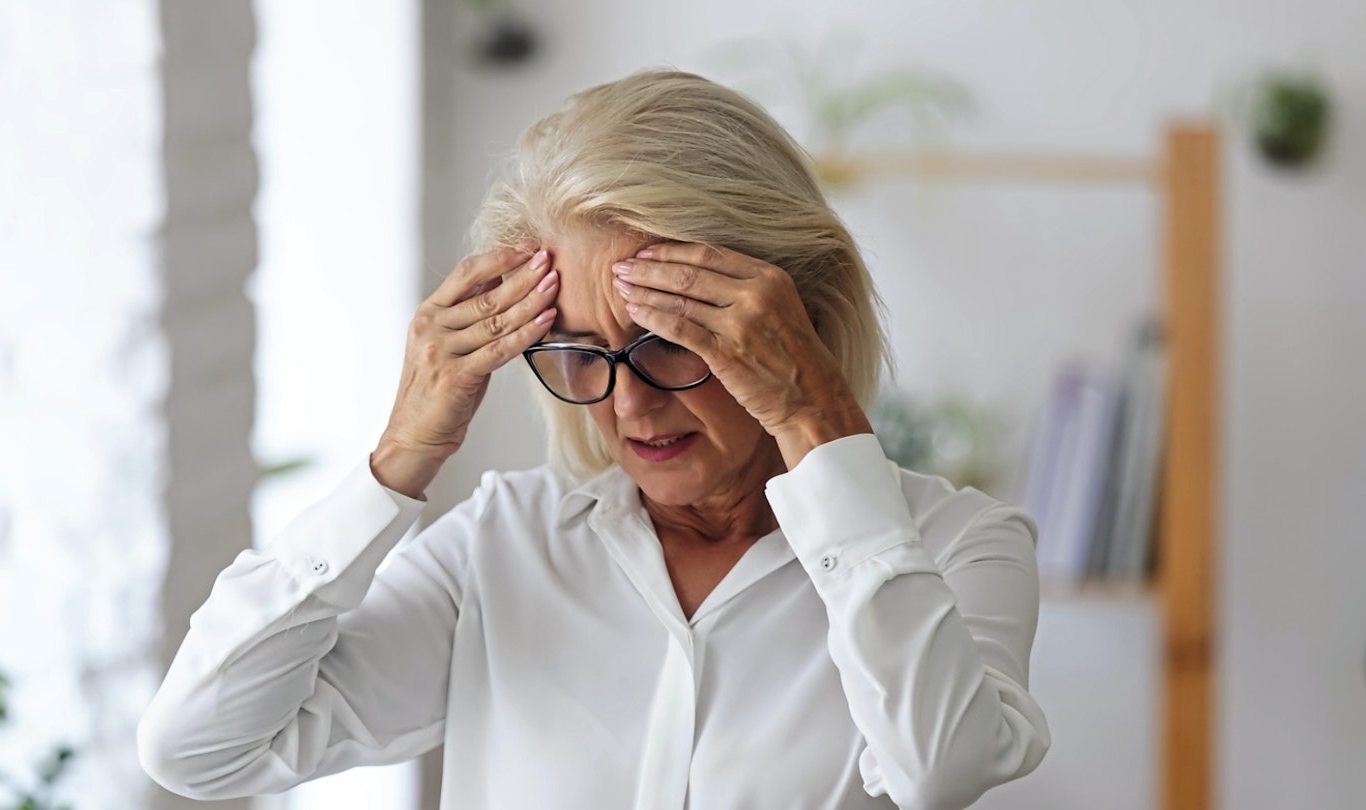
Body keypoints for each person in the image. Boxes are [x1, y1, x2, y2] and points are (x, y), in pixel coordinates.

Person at [138, 69, 1050, 810]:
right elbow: (199, 749)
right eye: (579, 353)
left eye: (668, 344)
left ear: (790, 317)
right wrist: (398, 462)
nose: (630, 408)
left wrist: (816, 420)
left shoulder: (960, 548)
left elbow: (939, 772)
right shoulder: (503, 547)